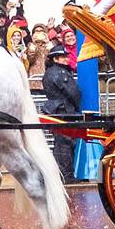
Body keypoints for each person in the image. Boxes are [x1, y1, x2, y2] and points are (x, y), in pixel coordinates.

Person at [41, 44, 81, 183]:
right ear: (56, 59)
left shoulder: (50, 72)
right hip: (64, 110)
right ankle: (66, 176)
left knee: (61, 143)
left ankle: (62, 174)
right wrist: (78, 104)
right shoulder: (60, 73)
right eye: (63, 57)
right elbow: (72, 92)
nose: (66, 59)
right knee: (65, 143)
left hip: (57, 109)